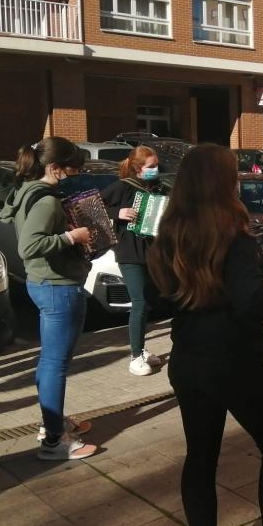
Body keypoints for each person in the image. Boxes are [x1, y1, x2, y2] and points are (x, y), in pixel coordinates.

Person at [147, 144, 263, 526]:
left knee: (200, 456)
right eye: (233, 175)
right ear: (221, 184)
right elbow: (252, 302)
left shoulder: (167, 236)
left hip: (188, 360)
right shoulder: (234, 237)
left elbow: (155, 299)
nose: (239, 181)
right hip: (235, 360)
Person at [0, 138, 96, 461]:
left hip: (42, 283)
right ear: (55, 168)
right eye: (73, 169)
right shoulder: (46, 201)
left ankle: (52, 423)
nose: (75, 174)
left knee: (49, 360)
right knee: (56, 363)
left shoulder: (26, 190)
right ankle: (55, 440)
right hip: (58, 287)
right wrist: (72, 236)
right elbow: (29, 246)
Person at [102, 146, 165, 375]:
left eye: (157, 165)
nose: (156, 169)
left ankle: (142, 349)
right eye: (151, 166)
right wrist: (117, 213)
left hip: (151, 251)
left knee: (149, 301)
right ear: (138, 168)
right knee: (139, 302)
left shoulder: (157, 187)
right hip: (129, 252)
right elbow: (91, 207)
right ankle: (135, 356)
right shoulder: (122, 187)